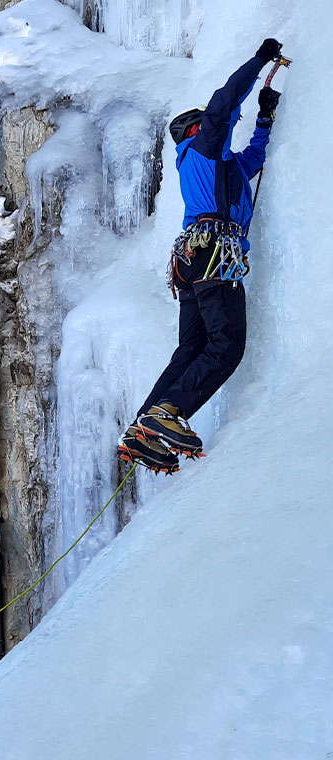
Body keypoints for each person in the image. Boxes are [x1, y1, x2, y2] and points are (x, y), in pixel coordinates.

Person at [118, 39, 284, 474]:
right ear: (197, 128)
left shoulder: (221, 165)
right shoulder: (204, 148)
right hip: (214, 255)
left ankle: (144, 427)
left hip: (192, 260)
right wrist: (260, 59)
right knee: (226, 346)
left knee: (191, 347)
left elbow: (253, 158)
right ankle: (169, 412)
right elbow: (225, 102)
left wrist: (265, 116)